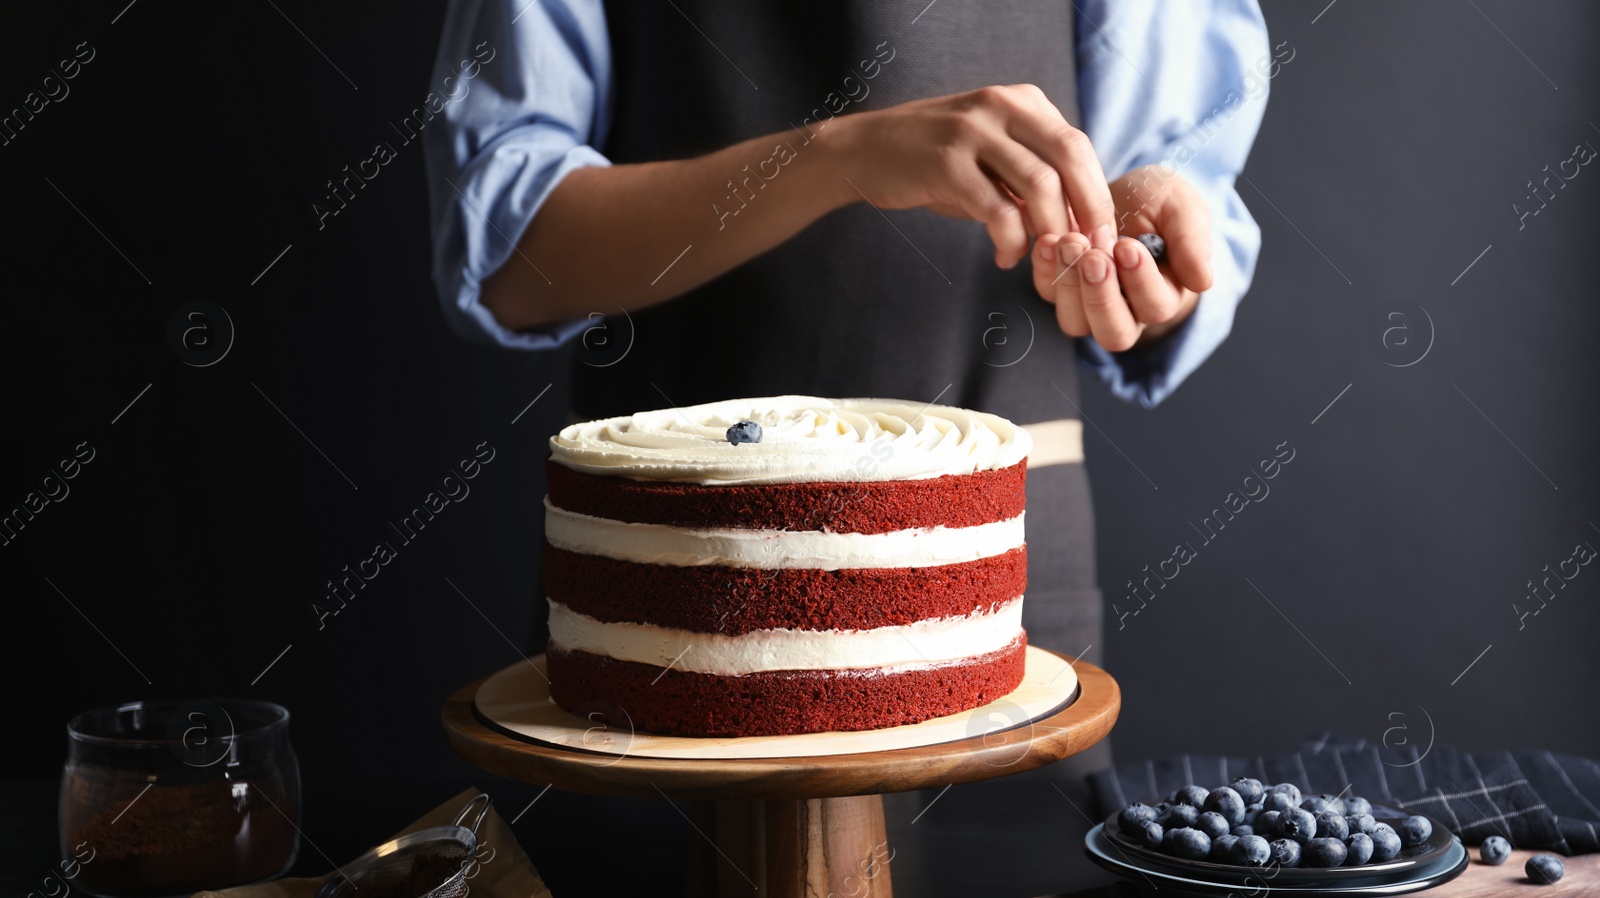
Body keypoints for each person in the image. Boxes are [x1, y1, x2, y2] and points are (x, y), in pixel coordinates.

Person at [423, 0, 1269, 670]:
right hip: (675, 589)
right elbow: (512, 262)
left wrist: (1144, 263)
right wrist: (836, 155)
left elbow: (1166, 196)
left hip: (1007, 591)